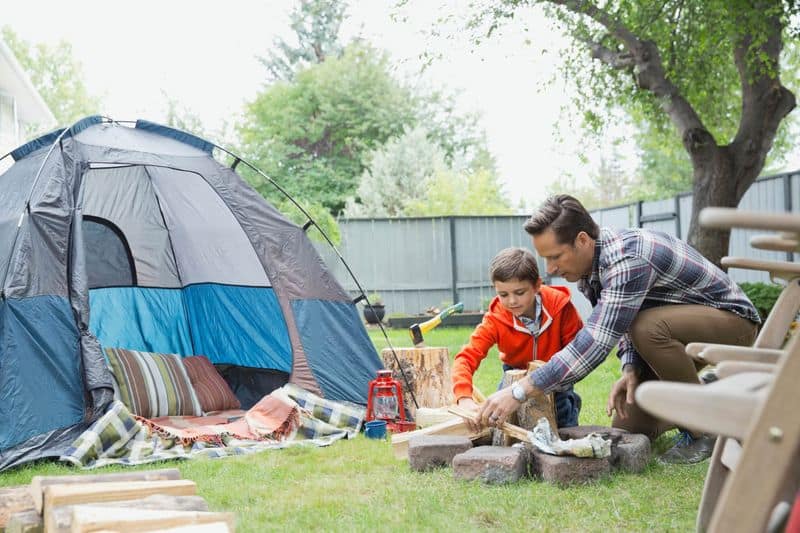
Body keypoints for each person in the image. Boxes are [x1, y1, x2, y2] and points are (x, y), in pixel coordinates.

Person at [477, 195, 761, 464]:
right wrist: (630, 368)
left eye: (556, 257)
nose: (550, 268)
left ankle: (705, 432)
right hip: (679, 337)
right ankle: (706, 395)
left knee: (648, 328)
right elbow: (622, 324)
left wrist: (519, 391)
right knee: (630, 426)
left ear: (582, 240)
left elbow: (595, 343)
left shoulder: (628, 260)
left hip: (733, 325)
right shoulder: (592, 272)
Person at [453, 247, 583, 430]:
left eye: (519, 293)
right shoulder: (495, 319)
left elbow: (578, 352)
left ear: (537, 285)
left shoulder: (561, 307)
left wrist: (562, 383)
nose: (512, 301)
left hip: (554, 376)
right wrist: (464, 398)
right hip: (513, 374)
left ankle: (570, 406)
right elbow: (466, 357)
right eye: (503, 294)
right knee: (497, 420)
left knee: (563, 423)